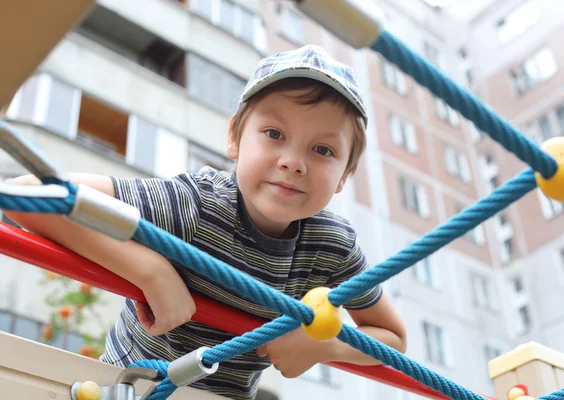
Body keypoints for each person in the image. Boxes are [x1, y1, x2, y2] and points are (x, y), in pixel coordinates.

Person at [6, 45, 407, 400]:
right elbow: (29, 196)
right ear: (235, 137)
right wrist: (152, 271)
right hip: (131, 386)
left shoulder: (331, 246)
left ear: (344, 177)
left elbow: (393, 338)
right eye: (274, 133)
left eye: (323, 149)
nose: (293, 162)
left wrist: (325, 345)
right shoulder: (197, 205)